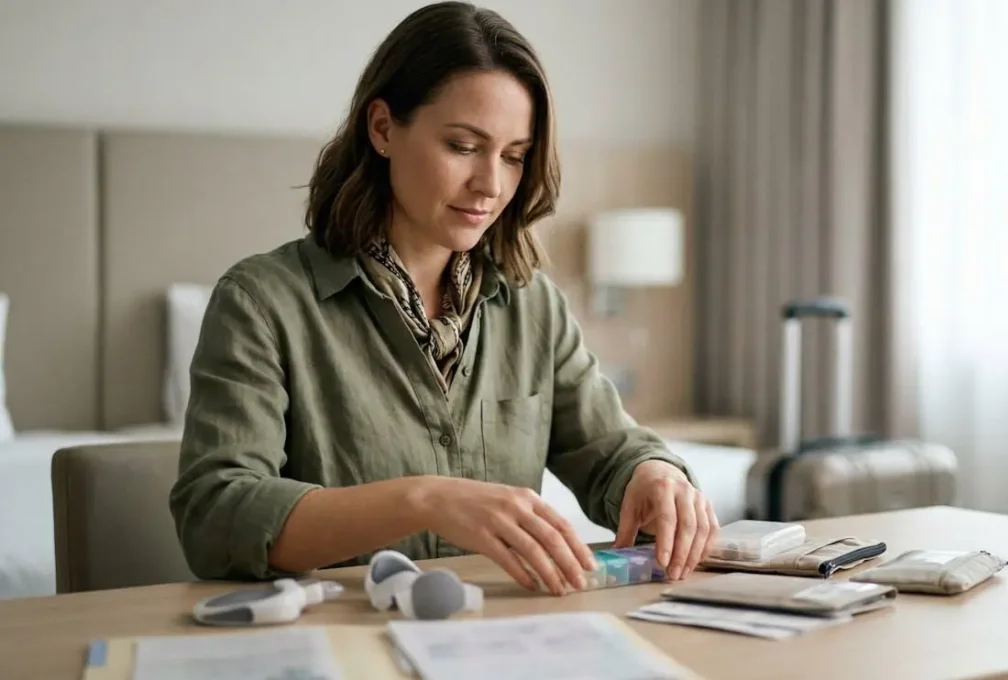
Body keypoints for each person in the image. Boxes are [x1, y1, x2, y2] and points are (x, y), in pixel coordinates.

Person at [168, 1, 717, 596]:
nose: (491, 185)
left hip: (504, 632)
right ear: (383, 128)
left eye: (513, 156)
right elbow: (217, 515)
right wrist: (423, 500)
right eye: (462, 146)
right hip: (342, 634)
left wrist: (653, 473)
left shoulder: (534, 306)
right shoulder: (260, 303)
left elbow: (609, 449)